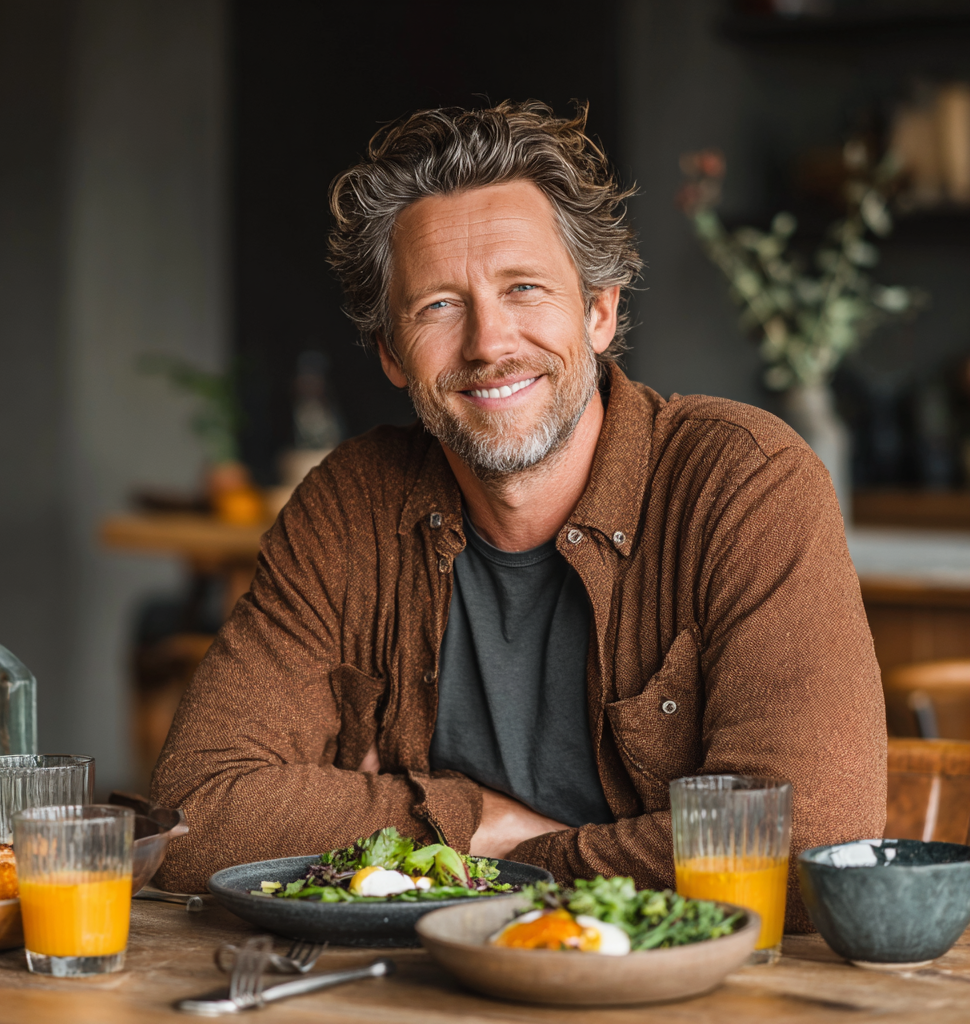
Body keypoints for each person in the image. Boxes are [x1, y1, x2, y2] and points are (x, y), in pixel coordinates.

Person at [152, 101, 886, 930]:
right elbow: (189, 814)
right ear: (391, 351)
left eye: (524, 288)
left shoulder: (742, 483)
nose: (487, 343)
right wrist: (466, 814)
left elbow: (808, 843)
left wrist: (505, 857)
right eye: (437, 306)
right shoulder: (349, 505)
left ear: (599, 312)